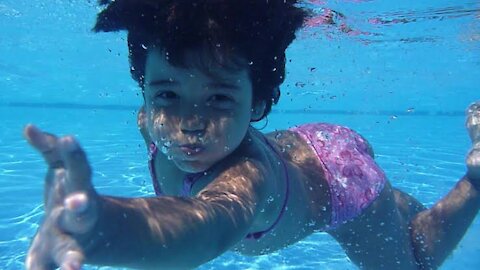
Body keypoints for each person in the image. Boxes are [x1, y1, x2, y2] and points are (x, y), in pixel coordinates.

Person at [23, 1, 480, 269]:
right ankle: (394, 202)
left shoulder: (248, 178)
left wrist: (107, 230)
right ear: (145, 92)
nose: (189, 122)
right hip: (309, 148)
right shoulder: (150, 123)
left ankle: (475, 180)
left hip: (343, 182)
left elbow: (209, 225)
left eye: (218, 99)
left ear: (257, 103)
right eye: (166, 94)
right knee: (396, 220)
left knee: (414, 260)